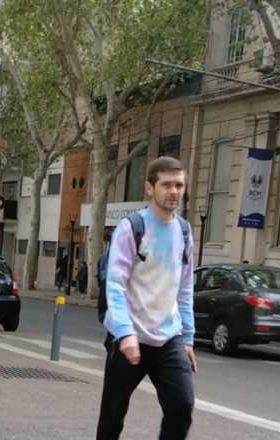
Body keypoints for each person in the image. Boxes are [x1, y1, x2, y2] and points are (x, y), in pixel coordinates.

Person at [98, 156, 197, 440]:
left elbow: (185, 287)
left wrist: (188, 337)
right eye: (166, 185)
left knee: (181, 407)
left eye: (179, 185)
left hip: (169, 338)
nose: (174, 192)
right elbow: (115, 284)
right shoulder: (132, 227)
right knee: (112, 416)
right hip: (130, 336)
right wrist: (125, 333)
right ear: (150, 188)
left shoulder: (185, 231)